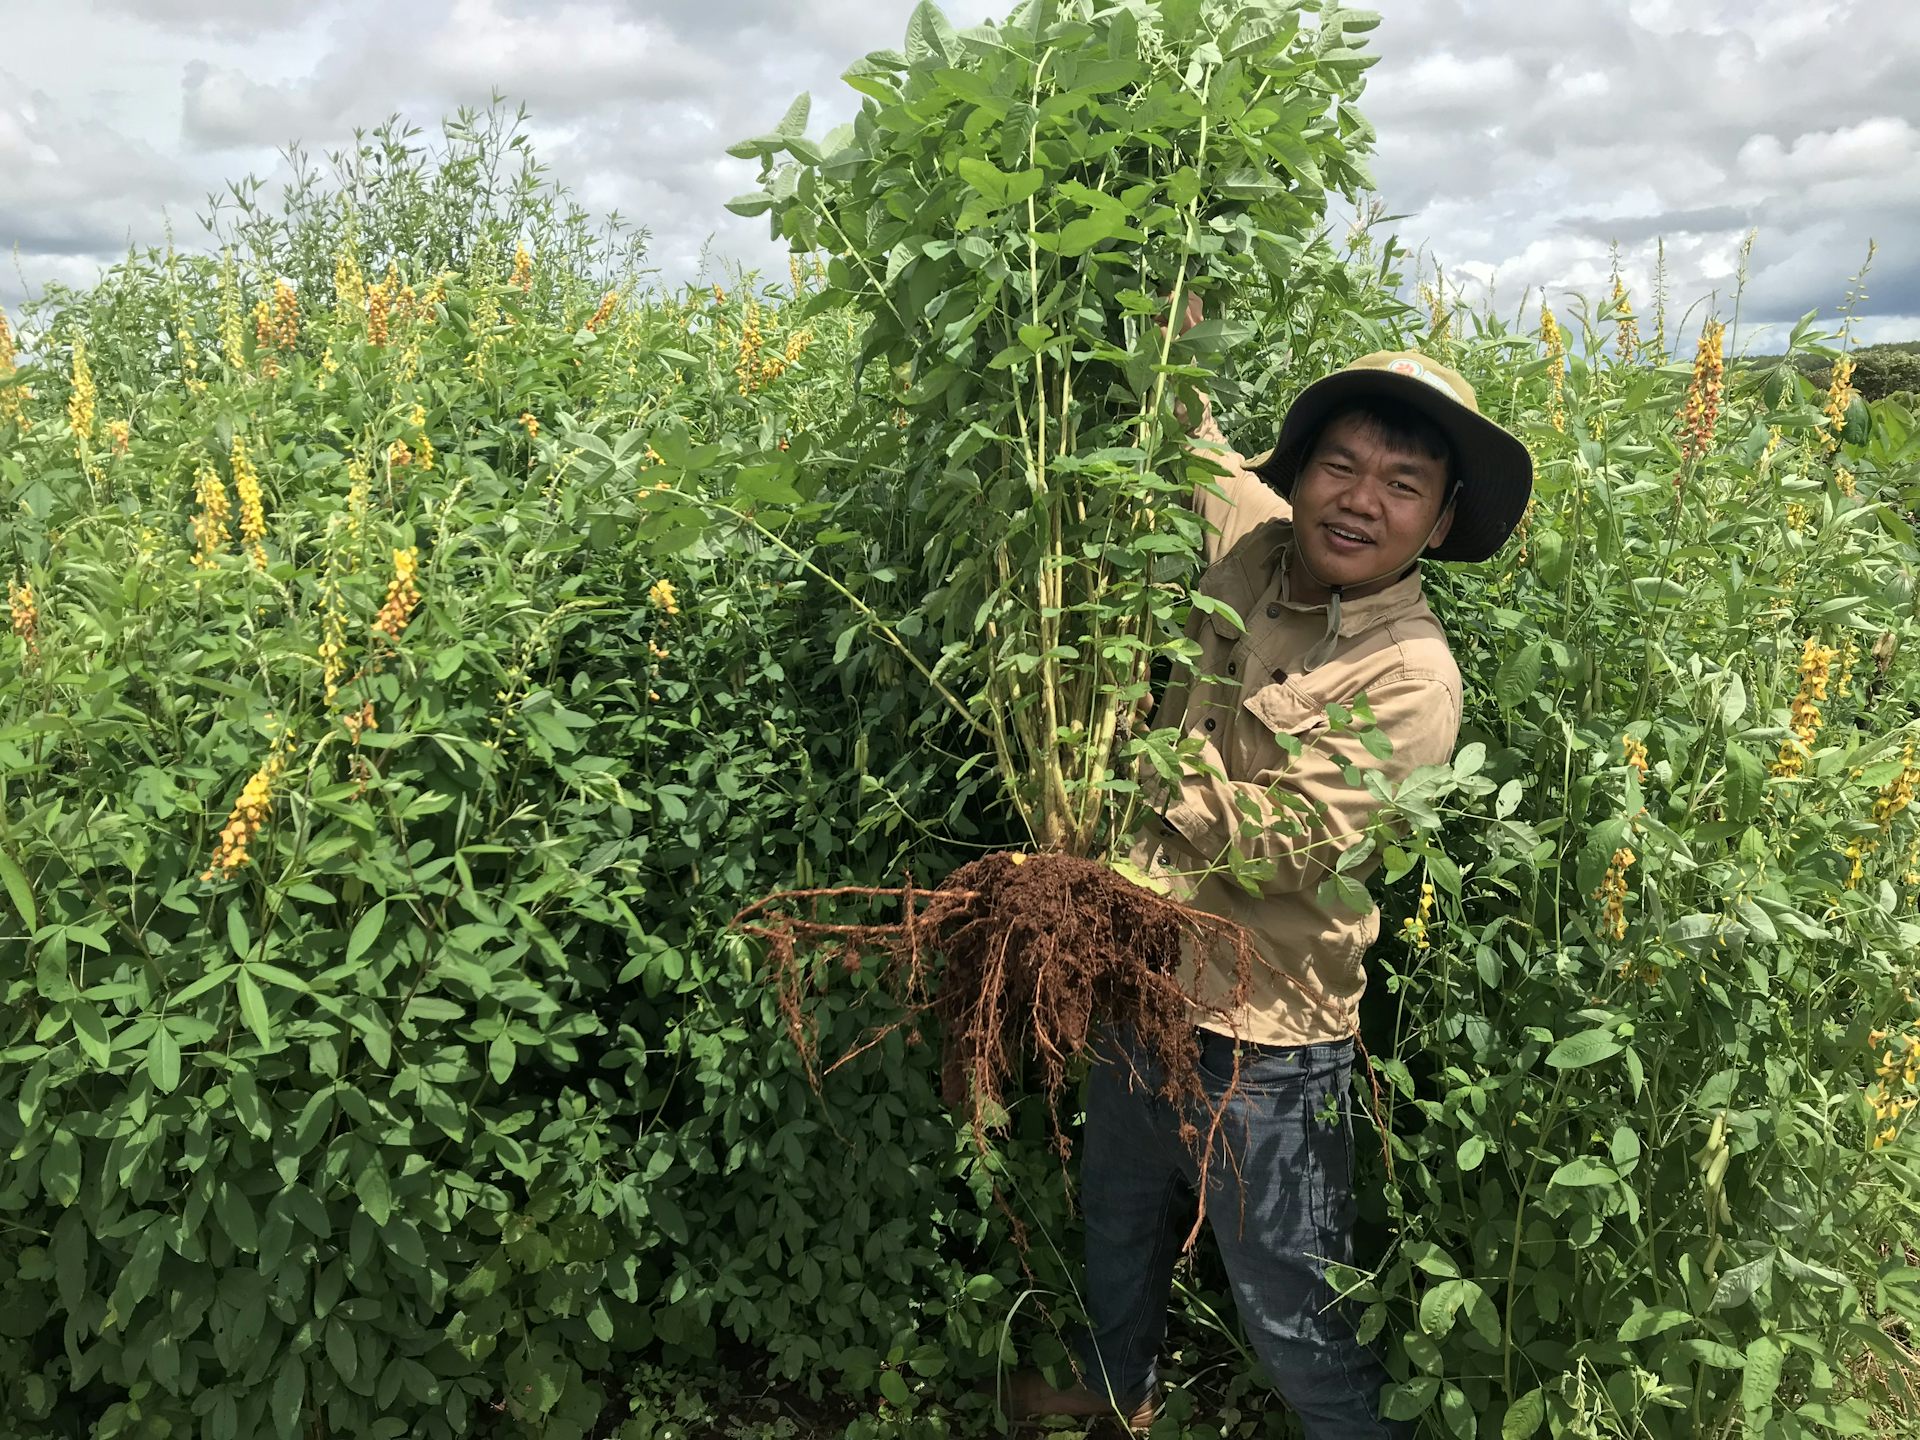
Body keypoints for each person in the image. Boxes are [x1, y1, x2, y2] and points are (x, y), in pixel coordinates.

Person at [1003, 320, 1534, 1437]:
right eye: (1338, 464)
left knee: (1295, 1313)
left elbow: (1289, 843)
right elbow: (1192, 441)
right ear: (1298, 475)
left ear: (1438, 522)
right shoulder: (1255, 545)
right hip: (1138, 973)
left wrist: (1134, 768)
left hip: (1266, 1042)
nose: (1358, 499)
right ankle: (1115, 1394)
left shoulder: (1411, 676)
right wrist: (1164, 316)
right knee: (1118, 1227)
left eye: (1401, 483)